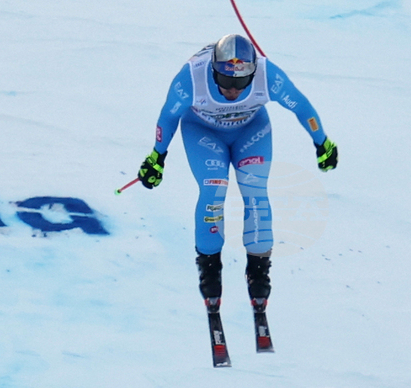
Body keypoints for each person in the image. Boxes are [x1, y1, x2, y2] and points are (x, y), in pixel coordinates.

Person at [137, 34, 338, 310]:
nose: (232, 90)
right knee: (213, 190)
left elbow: (301, 106)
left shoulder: (267, 74)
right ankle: (209, 267)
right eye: (225, 81)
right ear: (213, 70)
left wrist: (322, 142)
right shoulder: (191, 77)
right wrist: (157, 156)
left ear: (252, 73)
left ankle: (258, 269)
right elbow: (169, 116)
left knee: (255, 191)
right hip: (203, 132)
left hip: (250, 131)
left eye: (241, 83)